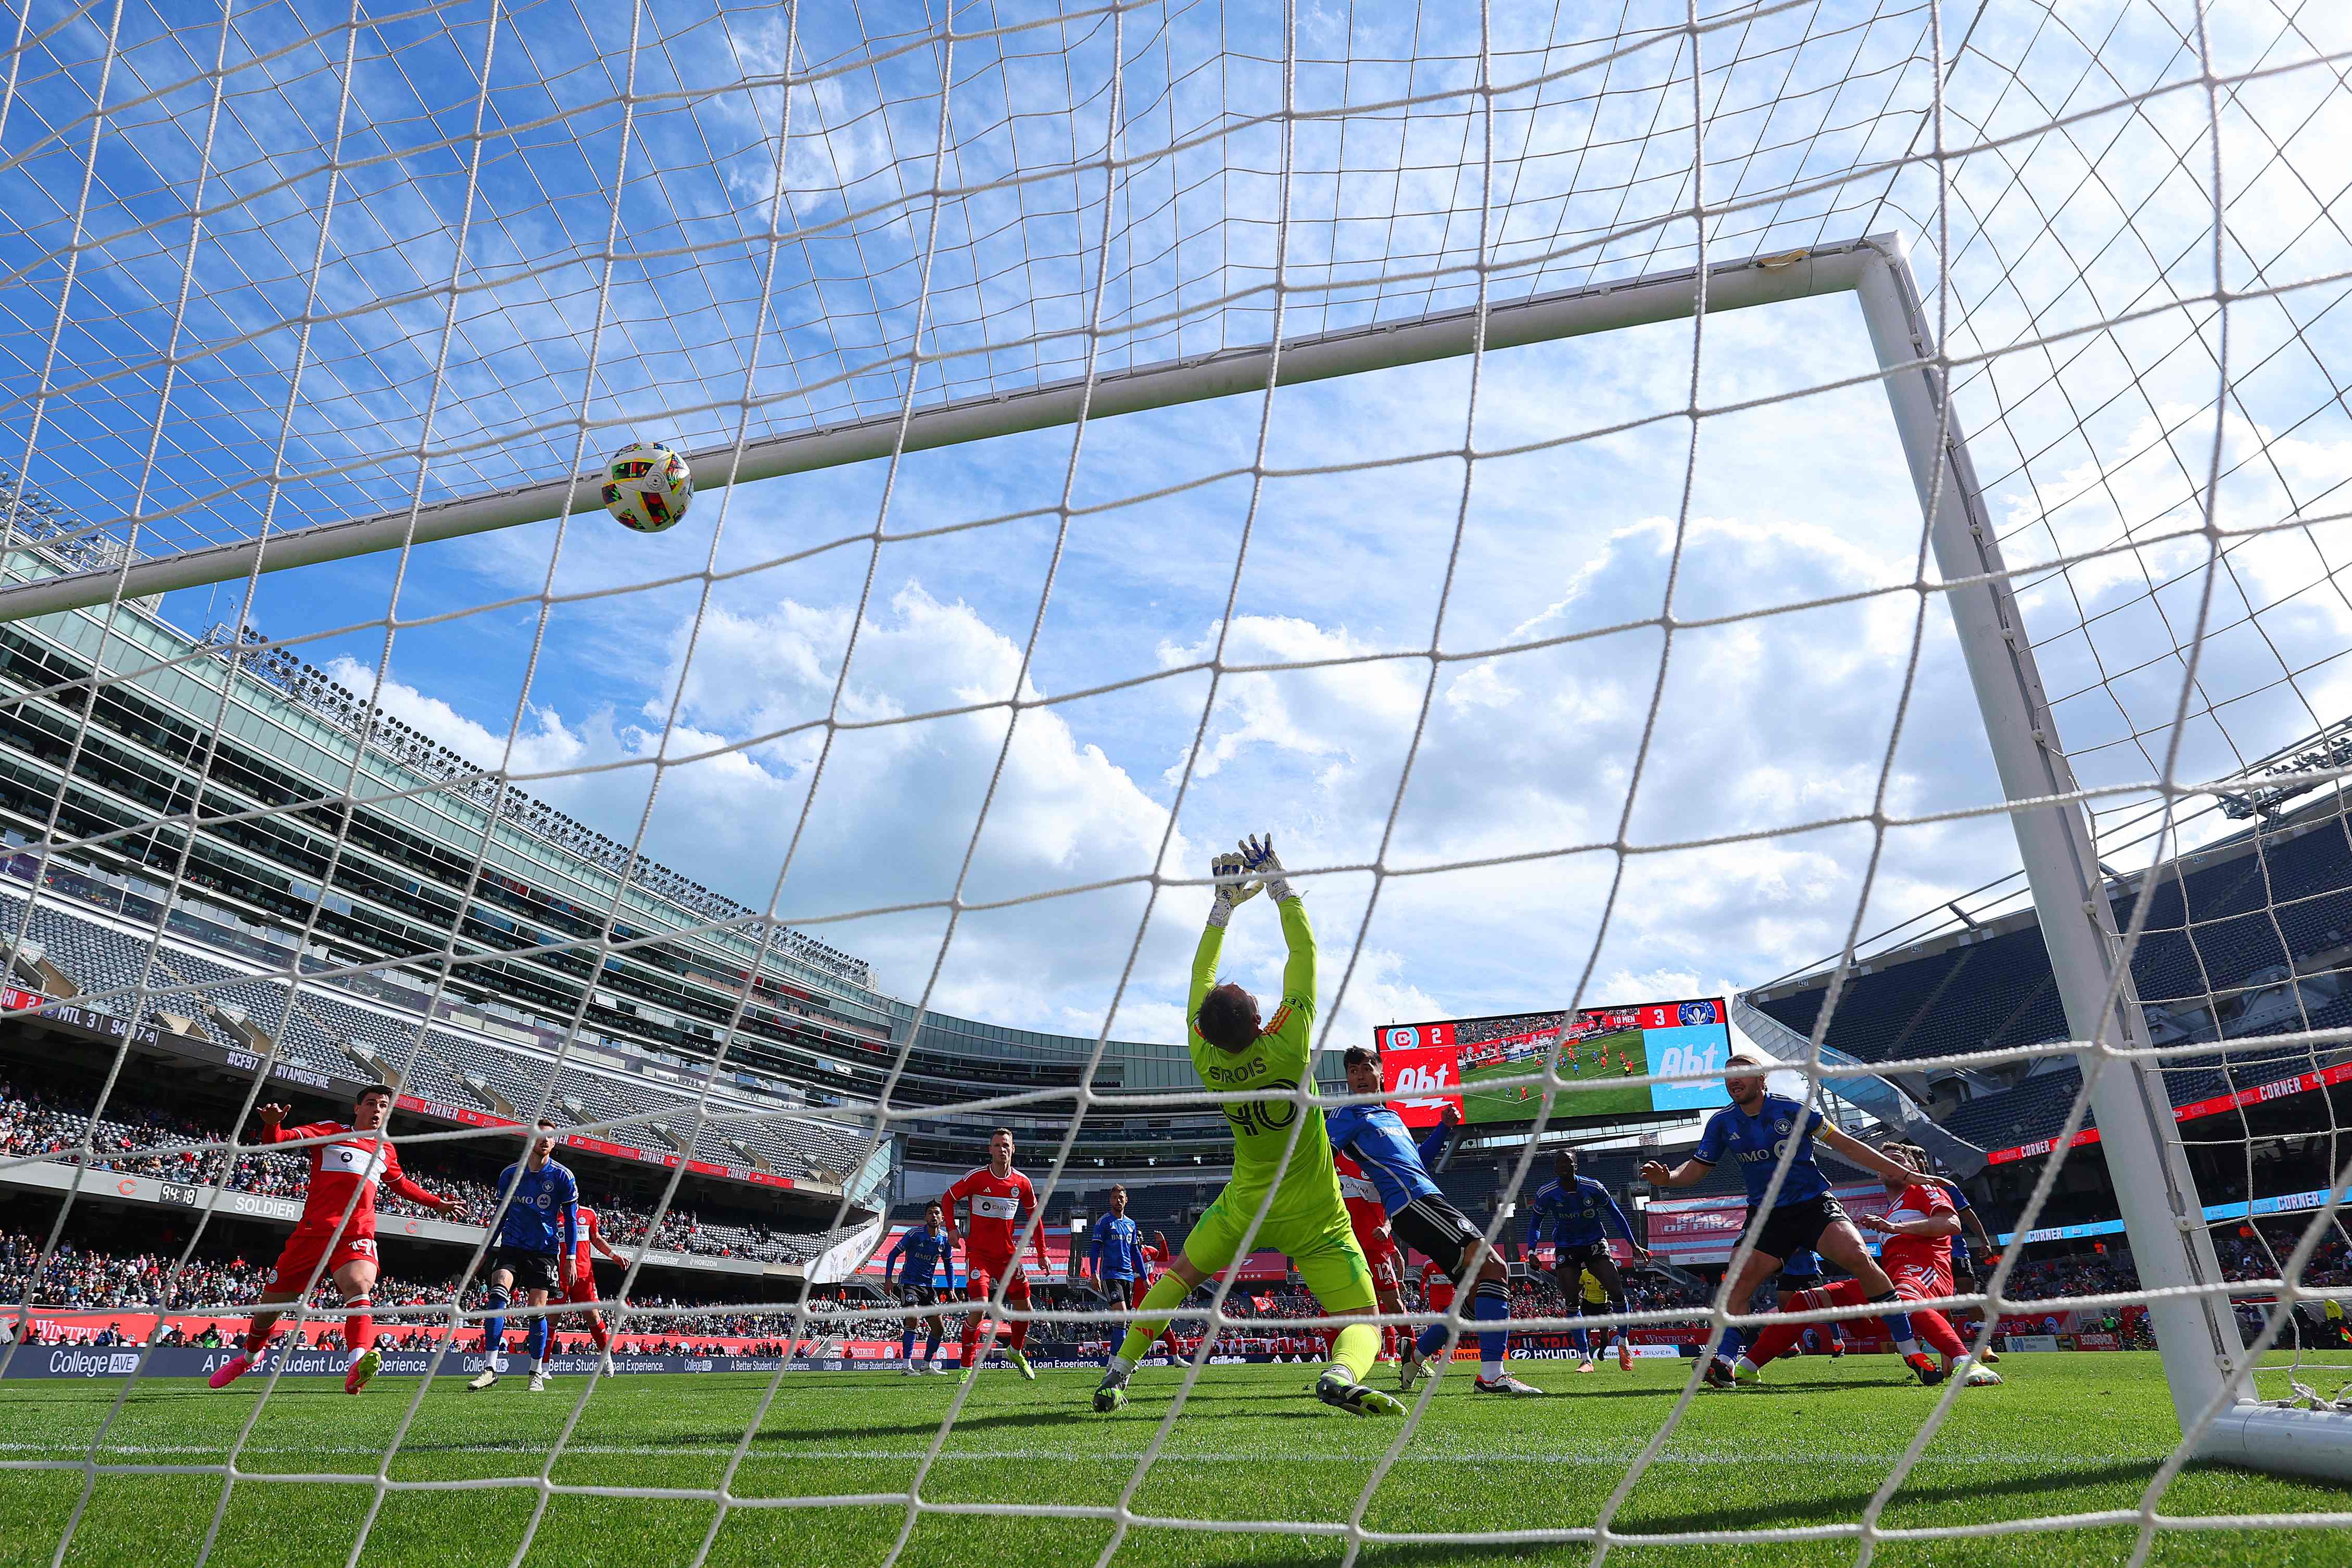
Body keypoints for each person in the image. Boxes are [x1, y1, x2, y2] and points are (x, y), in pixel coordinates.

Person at [1091, 836, 1402, 1417]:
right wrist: (1280, 883)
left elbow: (1198, 975)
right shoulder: (1288, 1045)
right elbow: (1303, 954)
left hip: (1244, 1206)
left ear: (1205, 1031)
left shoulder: (1205, 1060)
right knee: (1367, 1323)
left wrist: (1223, 906)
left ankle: (1117, 1372)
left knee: (1181, 1274)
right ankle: (1339, 1375)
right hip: (1315, 1214)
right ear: (1261, 1020)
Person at [1639, 1054, 1957, 1388]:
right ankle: (1725, 1362)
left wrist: (1906, 1175)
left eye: (1743, 1075)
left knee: (1861, 1259)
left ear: (1762, 1079)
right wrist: (1670, 1178)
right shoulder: (1721, 1123)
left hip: (1813, 1206)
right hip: (1767, 1216)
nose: (1734, 1081)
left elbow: (1848, 1146)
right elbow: (1696, 1169)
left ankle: (1910, 1351)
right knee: (1737, 1283)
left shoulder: (1793, 1110)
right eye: (1728, 1077)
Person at [206, 1085, 463, 1396]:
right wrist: (272, 1123)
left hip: (356, 1233)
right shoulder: (329, 1132)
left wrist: (437, 1204)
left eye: (384, 1105)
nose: (378, 1109)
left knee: (358, 1285)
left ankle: (357, 1364)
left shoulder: (386, 1150)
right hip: (311, 1235)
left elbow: (402, 1184)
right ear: (357, 1109)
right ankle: (250, 1357)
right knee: (268, 1312)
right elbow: (277, 1141)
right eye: (371, 1103)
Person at [1330, 1052, 1539, 1396]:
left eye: (1367, 1069)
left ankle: (1418, 1353)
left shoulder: (1391, 1117)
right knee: (1495, 1268)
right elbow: (1321, 1151)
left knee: (1475, 1293)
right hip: (1412, 1205)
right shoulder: (1347, 1114)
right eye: (1353, 1072)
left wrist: (1444, 1127)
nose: (1361, 1076)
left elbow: (1419, 1161)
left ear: (1381, 1074)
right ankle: (1491, 1375)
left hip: (1428, 1198)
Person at [1732, 1143, 1995, 1387]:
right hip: (1892, 1284)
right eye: (1885, 1162)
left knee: (1904, 1299)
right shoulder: (1894, 1206)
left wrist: (1894, 1227)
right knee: (1804, 1301)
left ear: (1912, 1169)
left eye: (1898, 1160)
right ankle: (1747, 1368)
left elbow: (1952, 1224)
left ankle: (1967, 1364)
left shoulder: (1924, 1190)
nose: (1890, 1165)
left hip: (1926, 1276)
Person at [467, 1120, 580, 1393]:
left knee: (536, 1309)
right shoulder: (510, 1175)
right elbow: (500, 1216)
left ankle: (535, 1372)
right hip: (512, 1246)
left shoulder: (563, 1177)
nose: (545, 1140)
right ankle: (490, 1369)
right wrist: (484, 1250)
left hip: (544, 1251)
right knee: (497, 1294)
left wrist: (571, 1258)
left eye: (551, 1138)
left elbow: (571, 1219)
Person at [1522, 1148, 1649, 1372]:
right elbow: (1535, 1224)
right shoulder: (1547, 1193)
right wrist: (1532, 1252)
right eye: (1560, 1163)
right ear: (1555, 1169)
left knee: (1617, 1292)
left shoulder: (1593, 1187)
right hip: (1566, 1246)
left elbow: (1616, 1214)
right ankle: (1585, 1359)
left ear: (1575, 1166)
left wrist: (1633, 1244)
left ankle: (1624, 1343)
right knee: (1571, 1301)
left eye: (1568, 1163)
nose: (1564, 1166)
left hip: (1594, 1243)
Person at [942, 1129, 1052, 1381]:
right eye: (997, 1145)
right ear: (989, 1150)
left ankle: (1015, 1351)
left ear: (1013, 1149)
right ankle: (966, 1366)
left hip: (1008, 1257)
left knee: (1026, 1309)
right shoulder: (977, 1179)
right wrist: (951, 1229)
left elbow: (1035, 1219)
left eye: (1006, 1145)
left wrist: (1042, 1253)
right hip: (979, 1254)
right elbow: (948, 1199)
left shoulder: (1022, 1183)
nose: (1002, 1150)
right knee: (979, 1308)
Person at [1080, 1186, 1173, 1362]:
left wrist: (1145, 1279)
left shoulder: (1131, 1224)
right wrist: (1094, 1273)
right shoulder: (1104, 1223)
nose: (1118, 1200)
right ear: (1110, 1201)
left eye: (1121, 1197)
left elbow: (1136, 1253)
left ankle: (1112, 1362)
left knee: (1122, 1321)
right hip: (1110, 1275)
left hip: (1128, 1277)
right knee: (1122, 1314)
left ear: (1126, 1200)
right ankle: (1119, 1361)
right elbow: (1095, 1249)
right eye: (1115, 1197)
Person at [1333, 1150, 1405, 1361]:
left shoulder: (1376, 1160)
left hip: (1375, 1245)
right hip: (1345, 1246)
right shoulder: (1329, 1161)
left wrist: (1386, 1227)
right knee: (1347, 1308)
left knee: (1394, 1304)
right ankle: (1350, 1359)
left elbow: (1393, 1204)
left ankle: (1414, 1355)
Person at [886, 1200, 956, 1373]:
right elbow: (893, 1254)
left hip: (928, 1287)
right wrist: (889, 1279)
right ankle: (906, 1366)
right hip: (909, 1283)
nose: (934, 1216)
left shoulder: (945, 1240)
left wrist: (951, 1288)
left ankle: (926, 1366)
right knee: (914, 1317)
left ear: (942, 1218)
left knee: (939, 1328)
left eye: (937, 1213)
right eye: (930, 1213)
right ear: (925, 1216)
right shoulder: (915, 1234)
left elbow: (949, 1264)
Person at [565, 1199, 626, 1364]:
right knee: (552, 1318)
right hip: (560, 1274)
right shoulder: (551, 1212)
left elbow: (597, 1239)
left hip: (584, 1275)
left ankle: (606, 1356)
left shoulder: (589, 1214)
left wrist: (614, 1256)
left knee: (593, 1316)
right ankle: (543, 1368)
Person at [1776, 1249, 1843, 1357]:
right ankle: (1793, 1346)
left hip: (1808, 1269)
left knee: (1824, 1306)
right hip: (1787, 1271)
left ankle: (1838, 1342)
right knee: (1784, 1308)